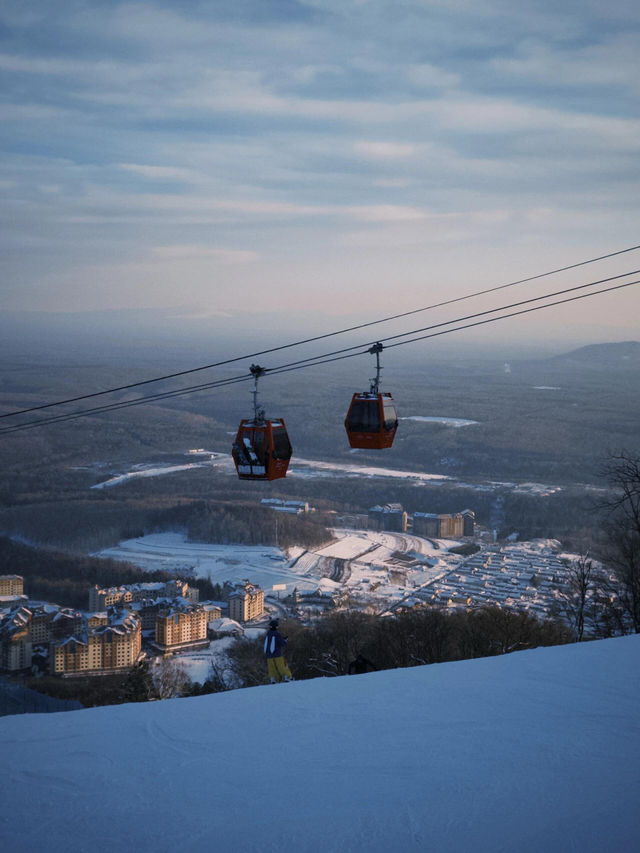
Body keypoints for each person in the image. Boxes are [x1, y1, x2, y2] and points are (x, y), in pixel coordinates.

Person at [264, 618, 293, 683]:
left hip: (269, 655)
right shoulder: (277, 634)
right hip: (277, 654)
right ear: (276, 627)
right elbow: (282, 643)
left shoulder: (268, 634)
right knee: (281, 666)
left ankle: (273, 678)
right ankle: (287, 677)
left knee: (272, 668)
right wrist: (285, 640)